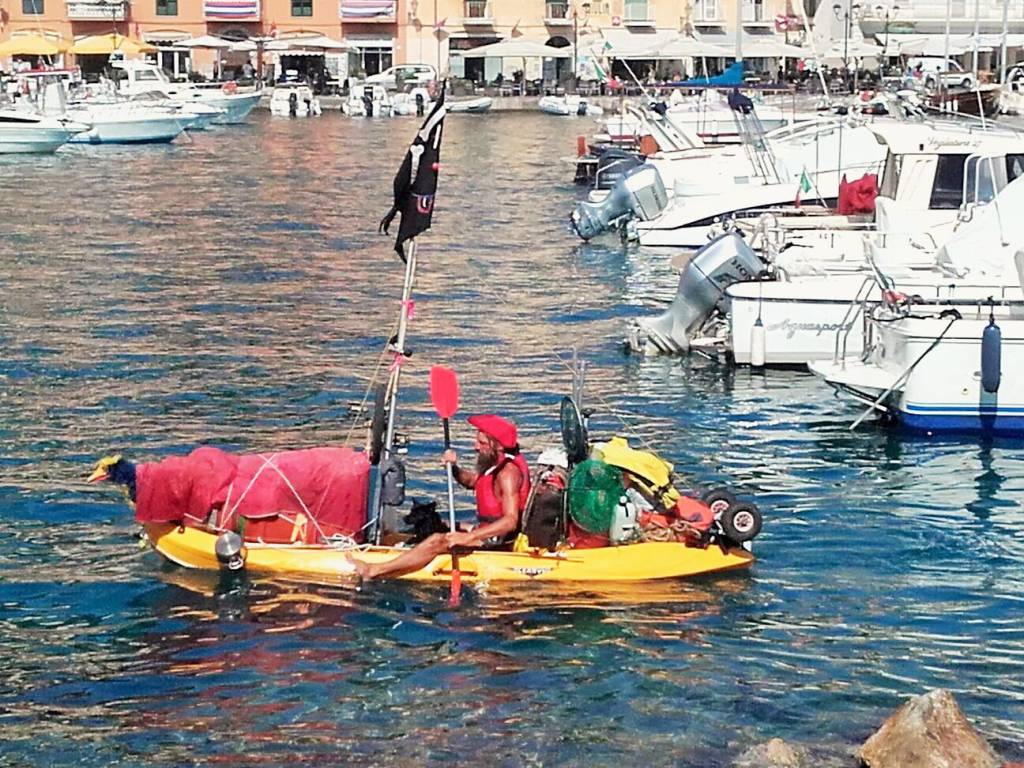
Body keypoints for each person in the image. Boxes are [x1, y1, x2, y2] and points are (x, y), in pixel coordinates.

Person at [348, 414, 531, 580]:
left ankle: (375, 570)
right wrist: (453, 468)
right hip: (486, 530)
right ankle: (400, 549)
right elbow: (474, 482)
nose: (476, 447)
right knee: (436, 523)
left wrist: (469, 537)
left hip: (498, 540)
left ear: (498, 446)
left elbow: (510, 521)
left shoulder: (508, 473)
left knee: (437, 539)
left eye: (482, 444)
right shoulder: (495, 465)